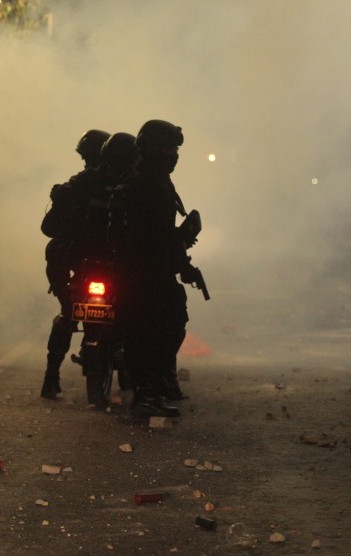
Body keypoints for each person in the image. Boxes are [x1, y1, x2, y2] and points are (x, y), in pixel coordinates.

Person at [120, 119, 197, 418]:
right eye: (168, 148)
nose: (174, 155)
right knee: (152, 331)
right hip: (145, 270)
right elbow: (157, 235)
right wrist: (181, 262)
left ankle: (151, 388)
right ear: (153, 149)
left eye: (175, 149)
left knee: (163, 326)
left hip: (146, 268)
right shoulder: (147, 183)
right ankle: (145, 392)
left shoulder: (150, 179)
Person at [40, 129, 110, 400]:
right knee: (68, 310)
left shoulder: (80, 184)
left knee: (67, 314)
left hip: (93, 262)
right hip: (91, 262)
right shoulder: (124, 181)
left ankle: (51, 374)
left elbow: (51, 227)